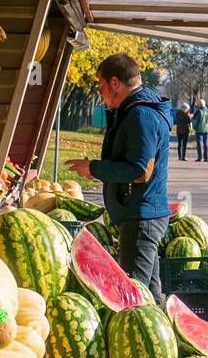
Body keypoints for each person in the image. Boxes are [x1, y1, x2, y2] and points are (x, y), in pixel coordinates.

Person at [66, 53, 172, 303]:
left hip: (141, 218)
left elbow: (137, 169)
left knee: (133, 301)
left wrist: (94, 168)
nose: (101, 93)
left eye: (102, 86)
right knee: (150, 296)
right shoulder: (135, 112)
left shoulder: (140, 115)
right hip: (141, 215)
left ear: (115, 83)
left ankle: (144, 342)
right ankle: (161, 340)